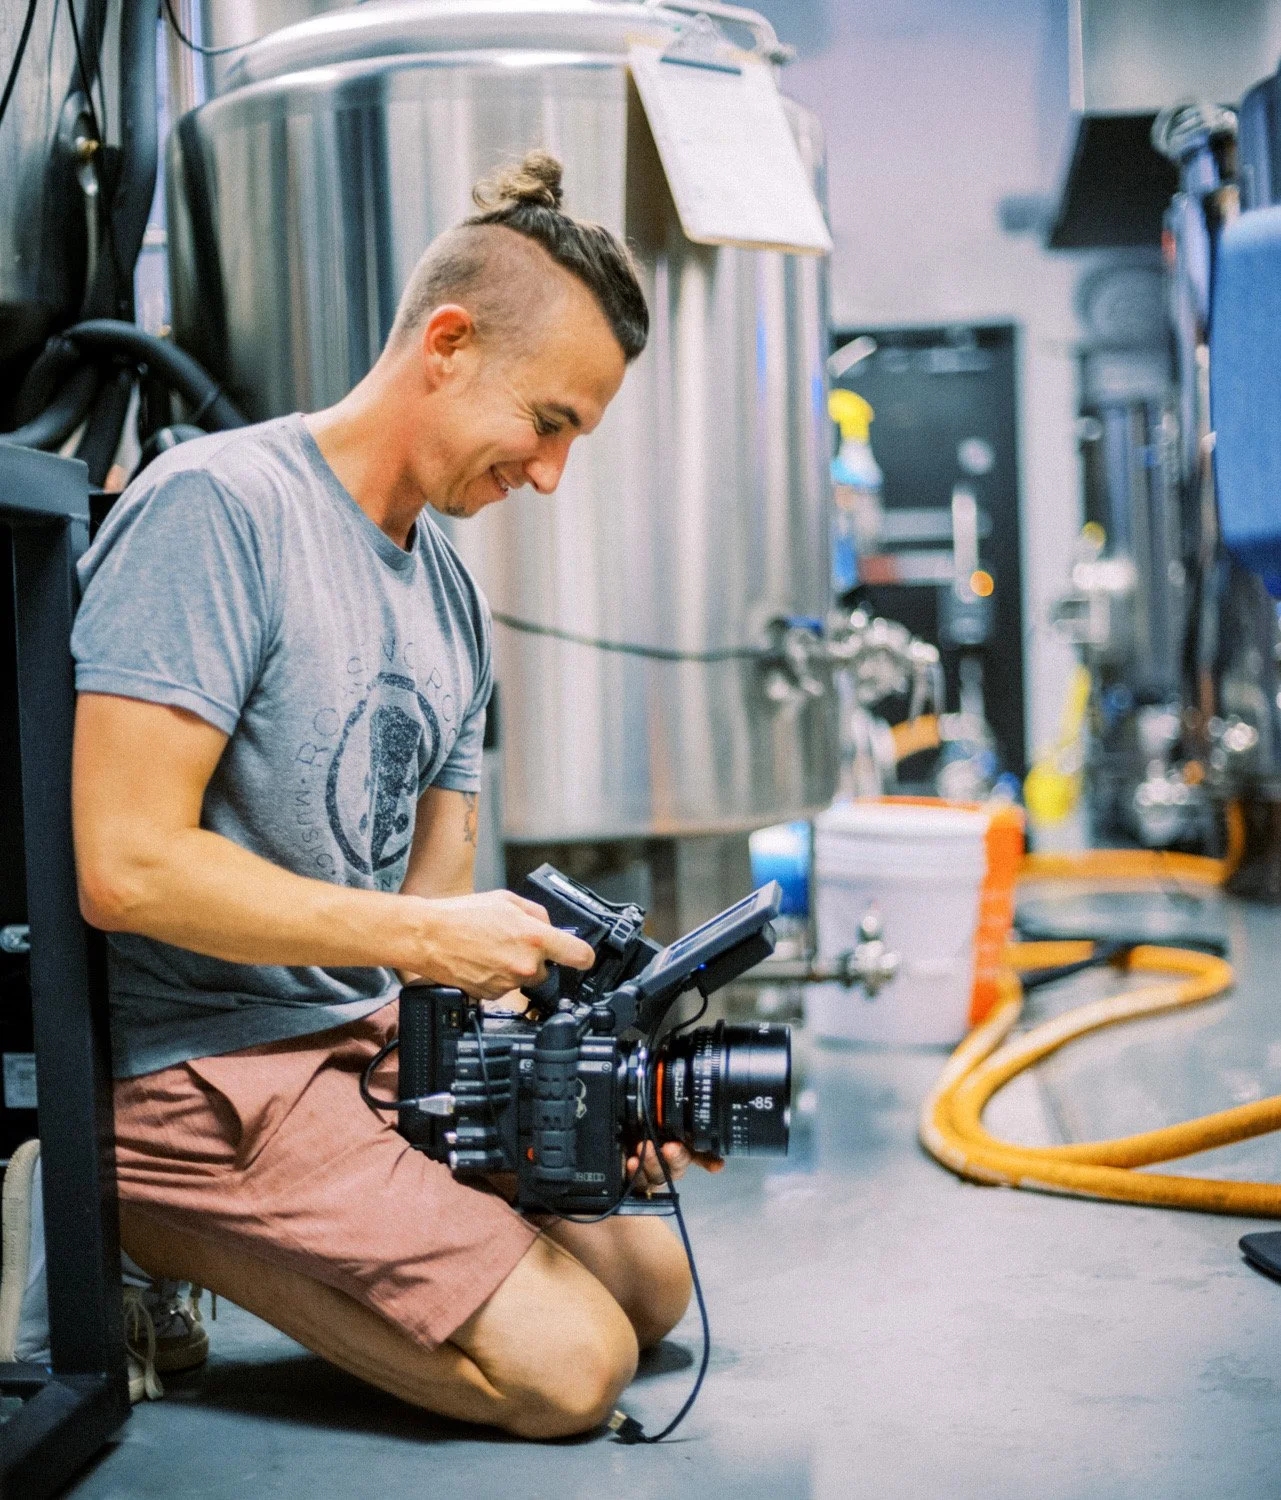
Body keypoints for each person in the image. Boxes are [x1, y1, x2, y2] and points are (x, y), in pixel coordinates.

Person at [59, 150, 702, 1437]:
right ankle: (133, 1213)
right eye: (551, 422)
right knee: (574, 1370)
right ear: (449, 345)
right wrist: (427, 938)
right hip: (200, 1072)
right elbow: (123, 865)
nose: (552, 472)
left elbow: (432, 937)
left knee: (653, 1287)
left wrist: (573, 1090)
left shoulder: (448, 593)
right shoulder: (220, 511)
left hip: (355, 1047)